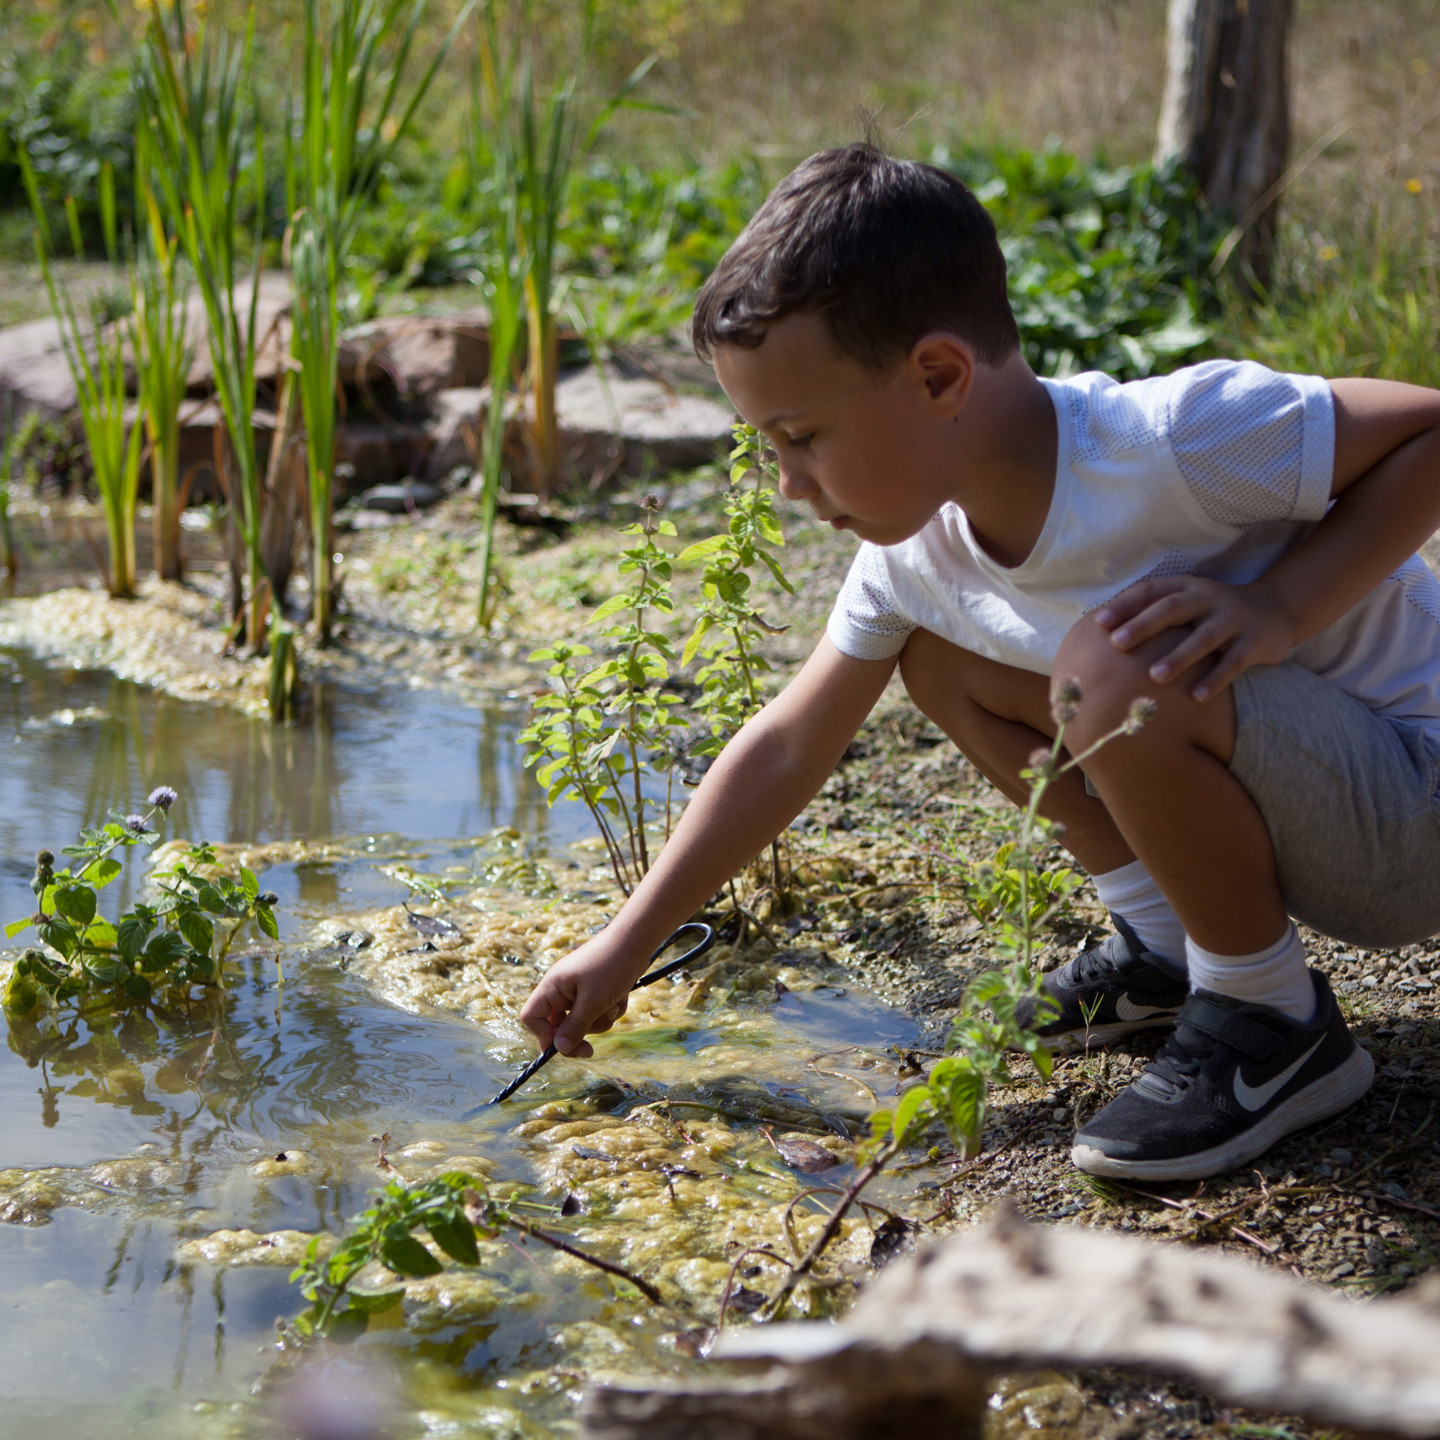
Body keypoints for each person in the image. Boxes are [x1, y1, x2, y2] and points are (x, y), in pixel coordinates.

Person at [519, 143, 1440, 1182]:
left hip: (1416, 809)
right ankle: (1171, 950)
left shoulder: (1174, 441)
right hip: (1312, 802)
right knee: (940, 659)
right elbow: (787, 744)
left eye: (802, 436)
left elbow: (1428, 432)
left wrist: (1278, 605)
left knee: (1112, 664)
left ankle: (1272, 1019)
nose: (784, 483)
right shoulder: (911, 557)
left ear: (940, 376)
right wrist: (626, 944)